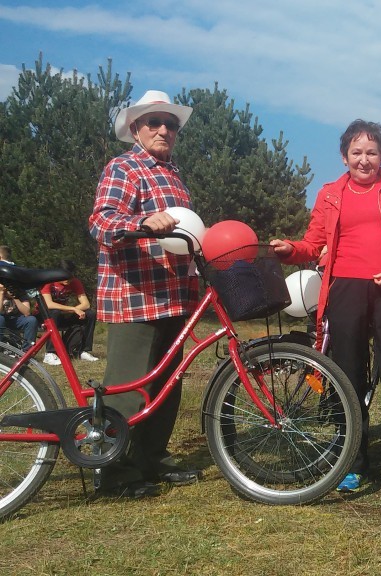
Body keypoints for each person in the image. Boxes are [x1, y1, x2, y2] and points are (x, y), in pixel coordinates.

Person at [270, 120, 381, 502]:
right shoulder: (330, 193)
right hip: (344, 290)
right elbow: (313, 243)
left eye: (372, 152)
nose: (364, 160)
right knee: (346, 378)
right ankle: (350, 465)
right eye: (357, 152)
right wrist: (290, 250)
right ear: (344, 156)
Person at [88, 89, 202, 498]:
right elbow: (101, 222)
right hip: (135, 296)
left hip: (174, 296)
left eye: (171, 124)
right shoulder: (125, 167)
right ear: (135, 128)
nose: (164, 129)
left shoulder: (174, 176)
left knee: (167, 386)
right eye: (154, 122)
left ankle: (152, 457)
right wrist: (141, 223)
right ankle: (114, 472)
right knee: (128, 389)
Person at [40, 259, 99, 365]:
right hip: (45, 316)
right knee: (55, 312)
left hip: (63, 314)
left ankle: (83, 350)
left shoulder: (75, 282)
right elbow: (48, 304)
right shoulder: (49, 281)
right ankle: (50, 353)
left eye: (70, 276)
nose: (68, 279)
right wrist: (73, 309)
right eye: (64, 276)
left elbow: (86, 304)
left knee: (90, 314)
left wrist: (73, 310)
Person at [0, 280, 38, 351]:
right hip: (1, 319)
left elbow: (27, 312)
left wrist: (14, 297)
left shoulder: (19, 292)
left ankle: (26, 351)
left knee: (31, 320)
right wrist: (1, 293)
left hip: (16, 319)